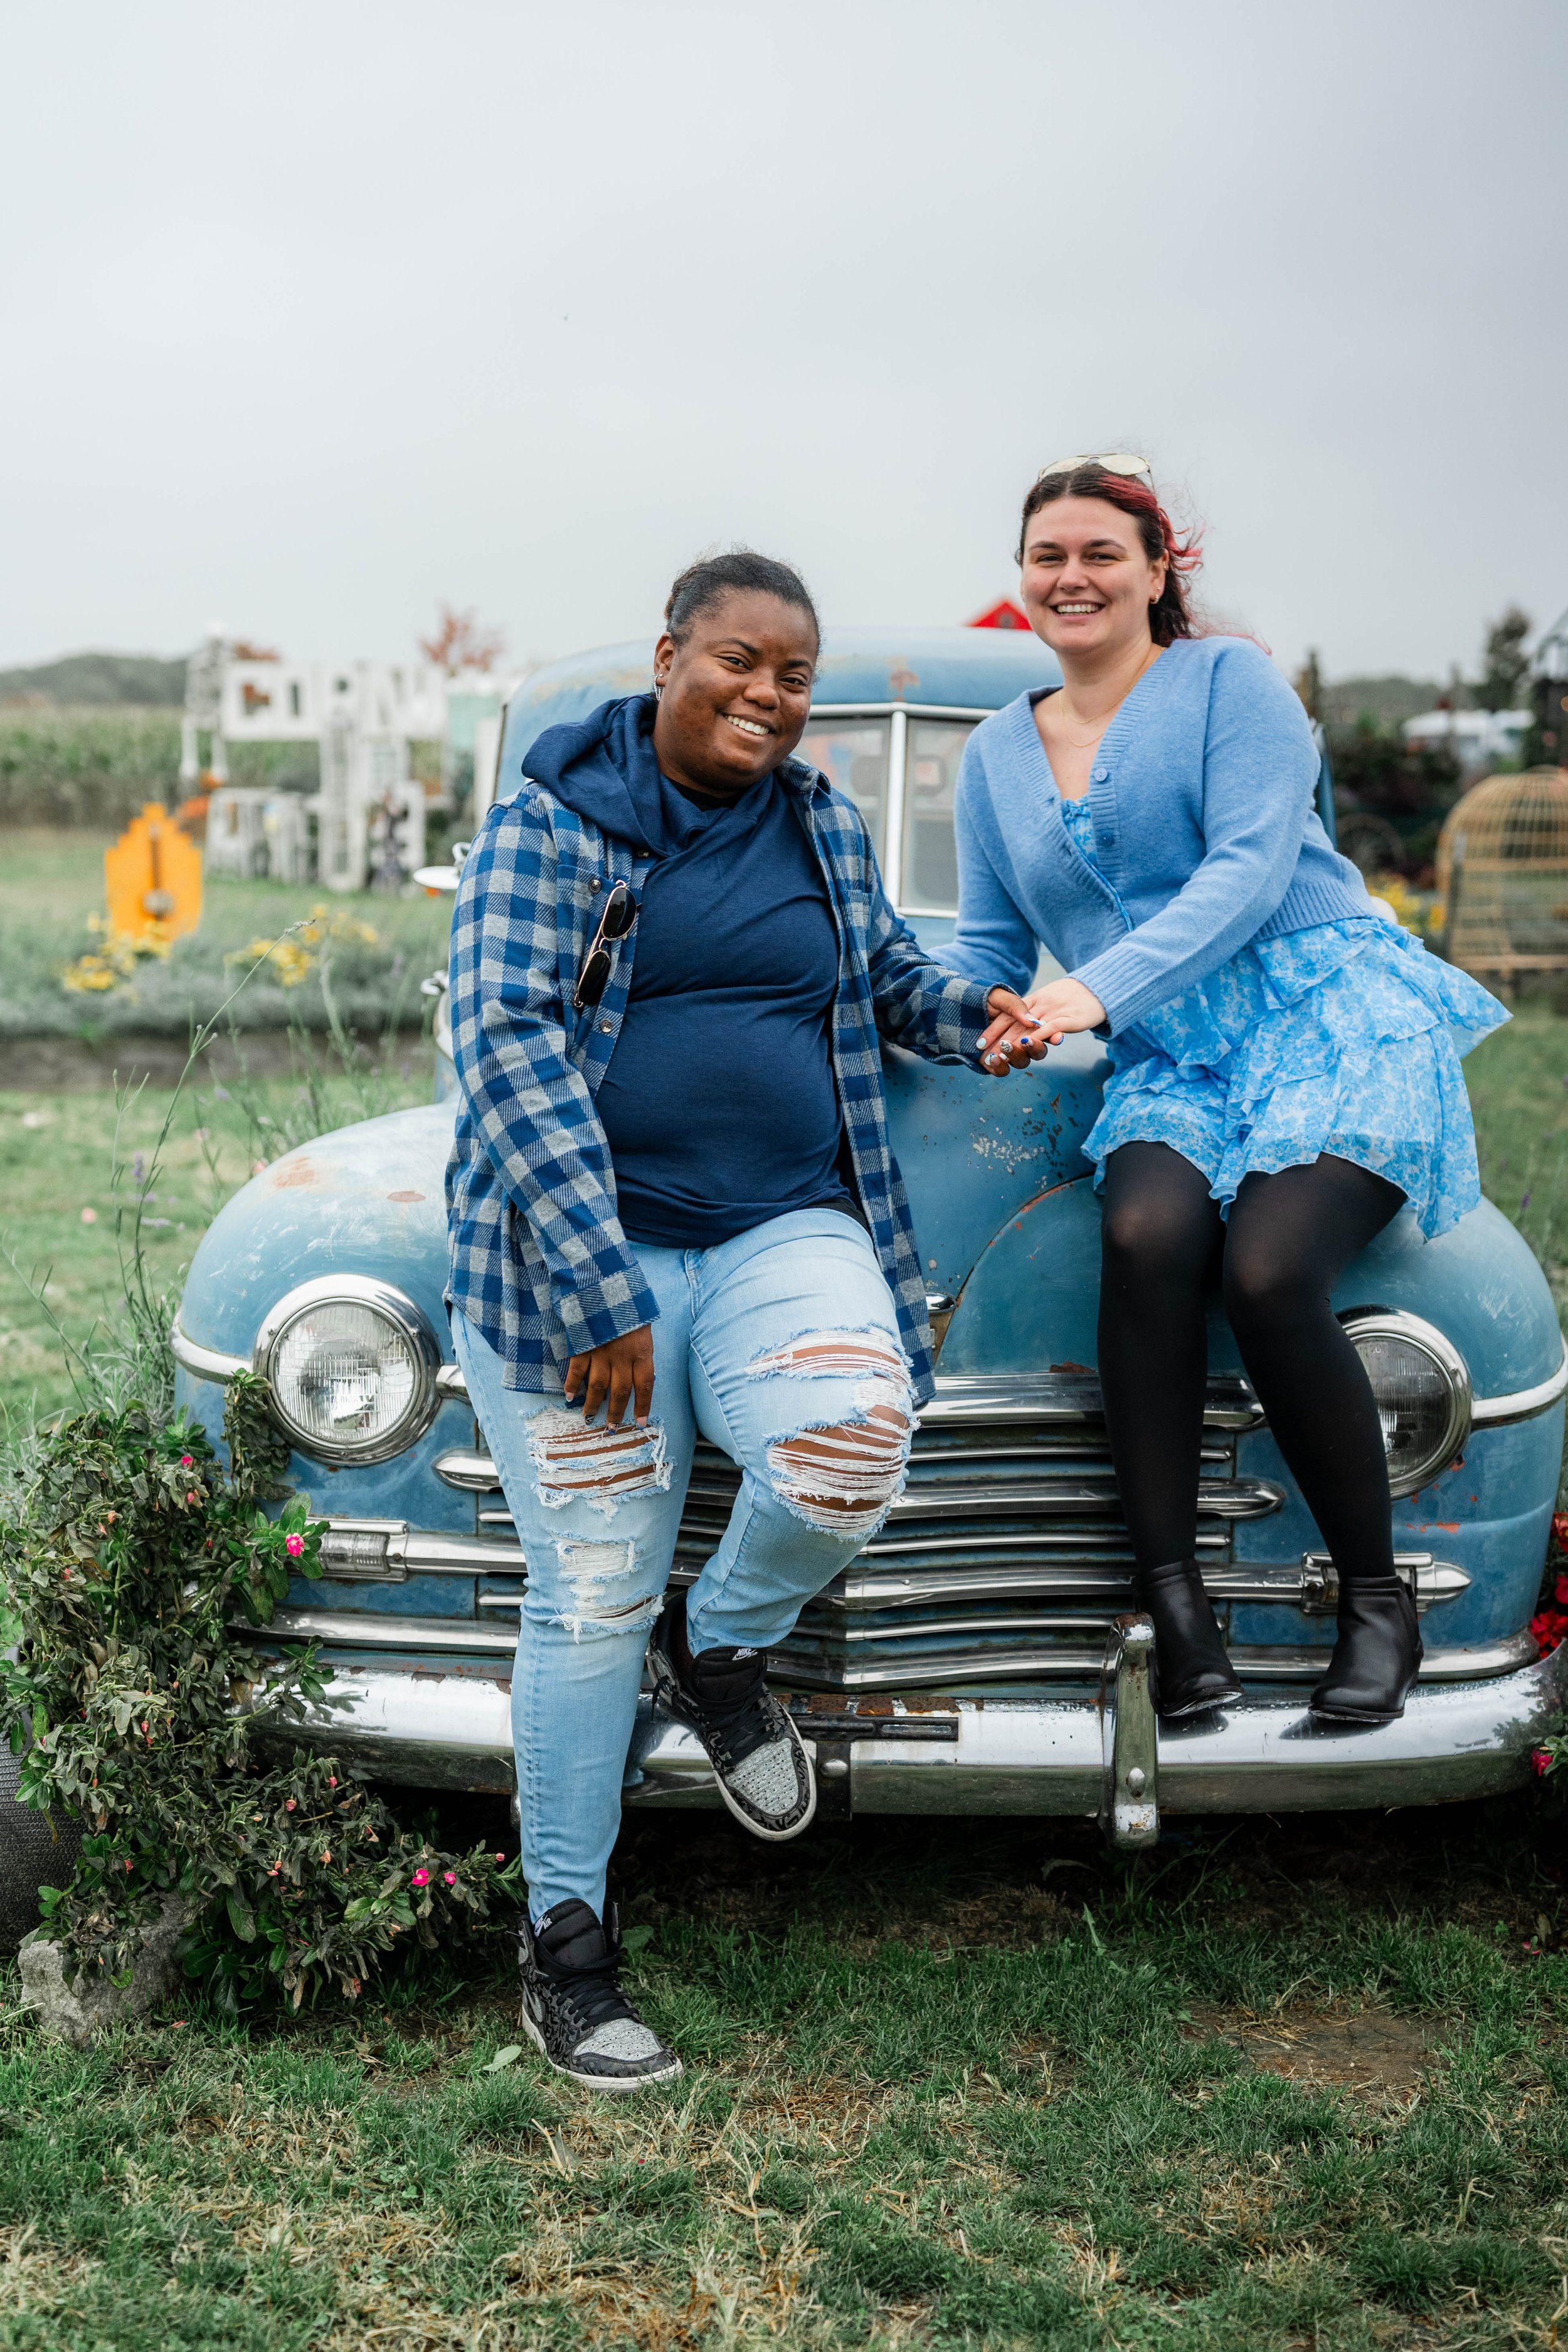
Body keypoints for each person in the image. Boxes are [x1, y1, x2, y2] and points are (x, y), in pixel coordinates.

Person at [445, 549, 1036, 2091]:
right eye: (738, 662)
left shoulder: (820, 827)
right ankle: (565, 1950)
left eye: (791, 674)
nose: (767, 695)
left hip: (783, 1225)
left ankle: (716, 1652)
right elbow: (504, 1044)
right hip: (577, 1264)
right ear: (667, 659)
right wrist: (596, 1285)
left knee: (848, 1449)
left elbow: (885, 978)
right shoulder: (552, 826)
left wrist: (977, 1020)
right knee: (588, 1591)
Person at [956, 455, 1507, 1735]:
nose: (1071, 576)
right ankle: (1171, 1605)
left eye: (1101, 553)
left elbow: (1251, 874)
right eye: (1047, 555)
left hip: (1324, 1018)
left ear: (1157, 572)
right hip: (1176, 1064)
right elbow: (985, 947)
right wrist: (944, 1011)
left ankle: (1375, 1602)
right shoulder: (993, 753)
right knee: (1144, 1233)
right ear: (1021, 579)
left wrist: (1088, 992)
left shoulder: (1228, 684)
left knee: (1265, 1271)